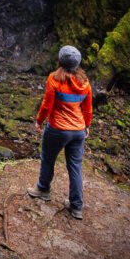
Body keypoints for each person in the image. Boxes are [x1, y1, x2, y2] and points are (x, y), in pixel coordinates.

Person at [27, 45, 93, 219]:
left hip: (58, 129)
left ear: (60, 60)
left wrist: (39, 121)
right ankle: (76, 207)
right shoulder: (85, 82)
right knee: (75, 166)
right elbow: (87, 109)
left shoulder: (54, 79)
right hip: (78, 131)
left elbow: (47, 105)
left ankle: (43, 189)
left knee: (48, 158)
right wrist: (87, 125)